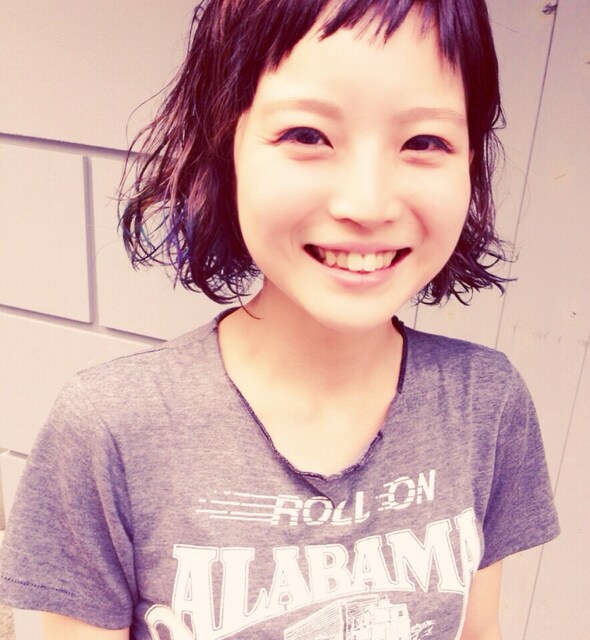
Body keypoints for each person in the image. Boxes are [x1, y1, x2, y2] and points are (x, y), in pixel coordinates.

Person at [0, 1, 560, 639]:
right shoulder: (109, 431)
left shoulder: (487, 404)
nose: (367, 203)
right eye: (306, 135)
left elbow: (479, 629)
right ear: (225, 144)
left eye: (424, 141)